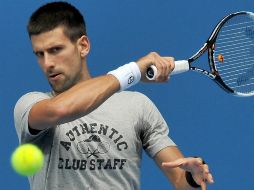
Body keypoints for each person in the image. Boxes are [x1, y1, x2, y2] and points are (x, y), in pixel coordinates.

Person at [14, 1, 214, 190]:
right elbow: (61, 109)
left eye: (55, 50)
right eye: (39, 54)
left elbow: (180, 180)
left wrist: (192, 178)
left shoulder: (137, 106)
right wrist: (133, 71)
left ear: (83, 46)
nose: (47, 63)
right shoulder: (30, 105)